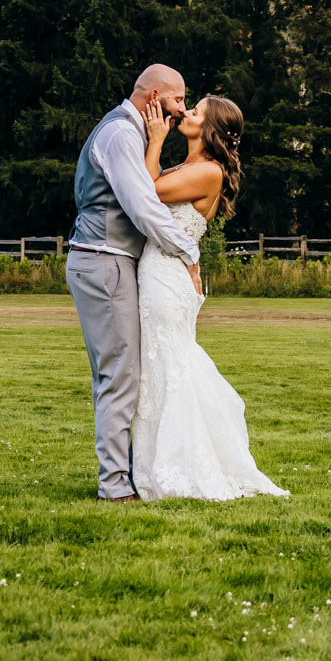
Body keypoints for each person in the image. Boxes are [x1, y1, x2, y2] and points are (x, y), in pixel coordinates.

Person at [129, 92, 287, 501]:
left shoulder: (209, 172)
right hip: (161, 272)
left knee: (169, 365)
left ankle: (178, 468)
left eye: (195, 111)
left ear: (211, 129)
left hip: (167, 279)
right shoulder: (192, 166)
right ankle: (155, 466)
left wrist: (155, 139)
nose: (185, 112)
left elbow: (146, 193)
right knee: (160, 365)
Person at [65, 64, 205, 501]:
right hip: (103, 261)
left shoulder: (135, 135)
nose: (182, 108)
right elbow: (143, 207)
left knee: (118, 373)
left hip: (110, 261)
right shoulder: (122, 136)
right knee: (120, 374)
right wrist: (190, 252)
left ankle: (123, 474)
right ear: (154, 98)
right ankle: (114, 486)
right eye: (178, 99)